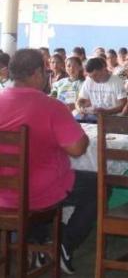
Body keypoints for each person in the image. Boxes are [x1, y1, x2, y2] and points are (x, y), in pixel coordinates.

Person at [0, 49, 95, 275]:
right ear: (35, 74)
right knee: (96, 186)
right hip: (38, 193)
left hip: (3, 193)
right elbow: (77, 148)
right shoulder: (51, 106)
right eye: (45, 72)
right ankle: (63, 245)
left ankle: (38, 246)